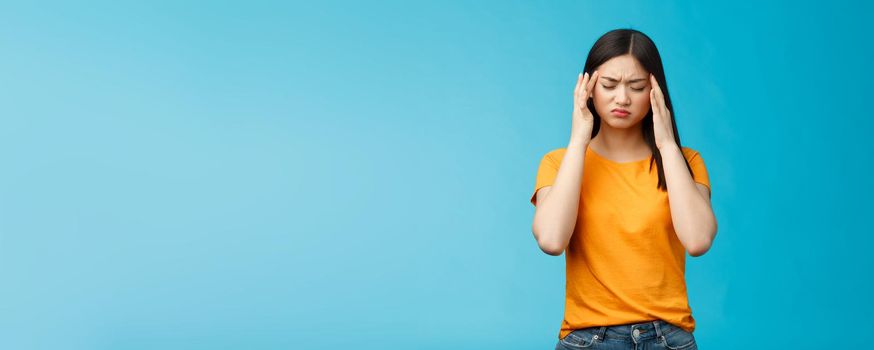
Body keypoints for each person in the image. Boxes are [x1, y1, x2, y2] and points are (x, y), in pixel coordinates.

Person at [530, 29, 717, 350]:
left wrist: (667, 144)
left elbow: (698, 241)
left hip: (668, 339)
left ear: (655, 90)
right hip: (588, 338)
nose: (622, 98)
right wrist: (578, 140)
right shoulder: (559, 162)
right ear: (587, 88)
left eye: (637, 87)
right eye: (609, 85)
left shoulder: (685, 162)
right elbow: (551, 240)